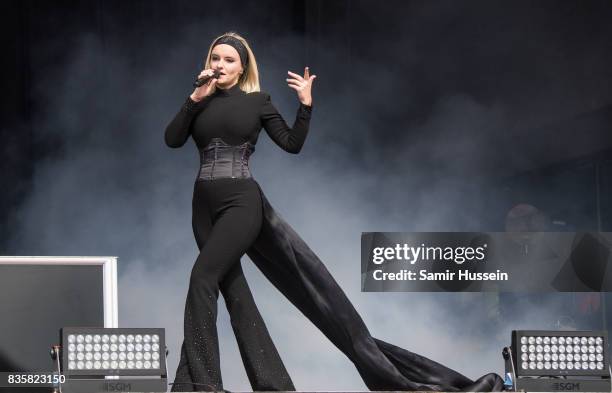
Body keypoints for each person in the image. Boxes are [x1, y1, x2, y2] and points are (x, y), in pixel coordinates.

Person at [165, 31, 503, 392]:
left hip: (241, 203)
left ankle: (199, 385)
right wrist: (193, 98)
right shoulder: (199, 101)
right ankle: (272, 385)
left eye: (229, 60)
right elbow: (172, 139)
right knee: (234, 293)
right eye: (215, 58)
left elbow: (292, 144)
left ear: (243, 67)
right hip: (202, 205)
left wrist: (306, 106)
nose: (220, 65)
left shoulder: (258, 101)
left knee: (202, 278)